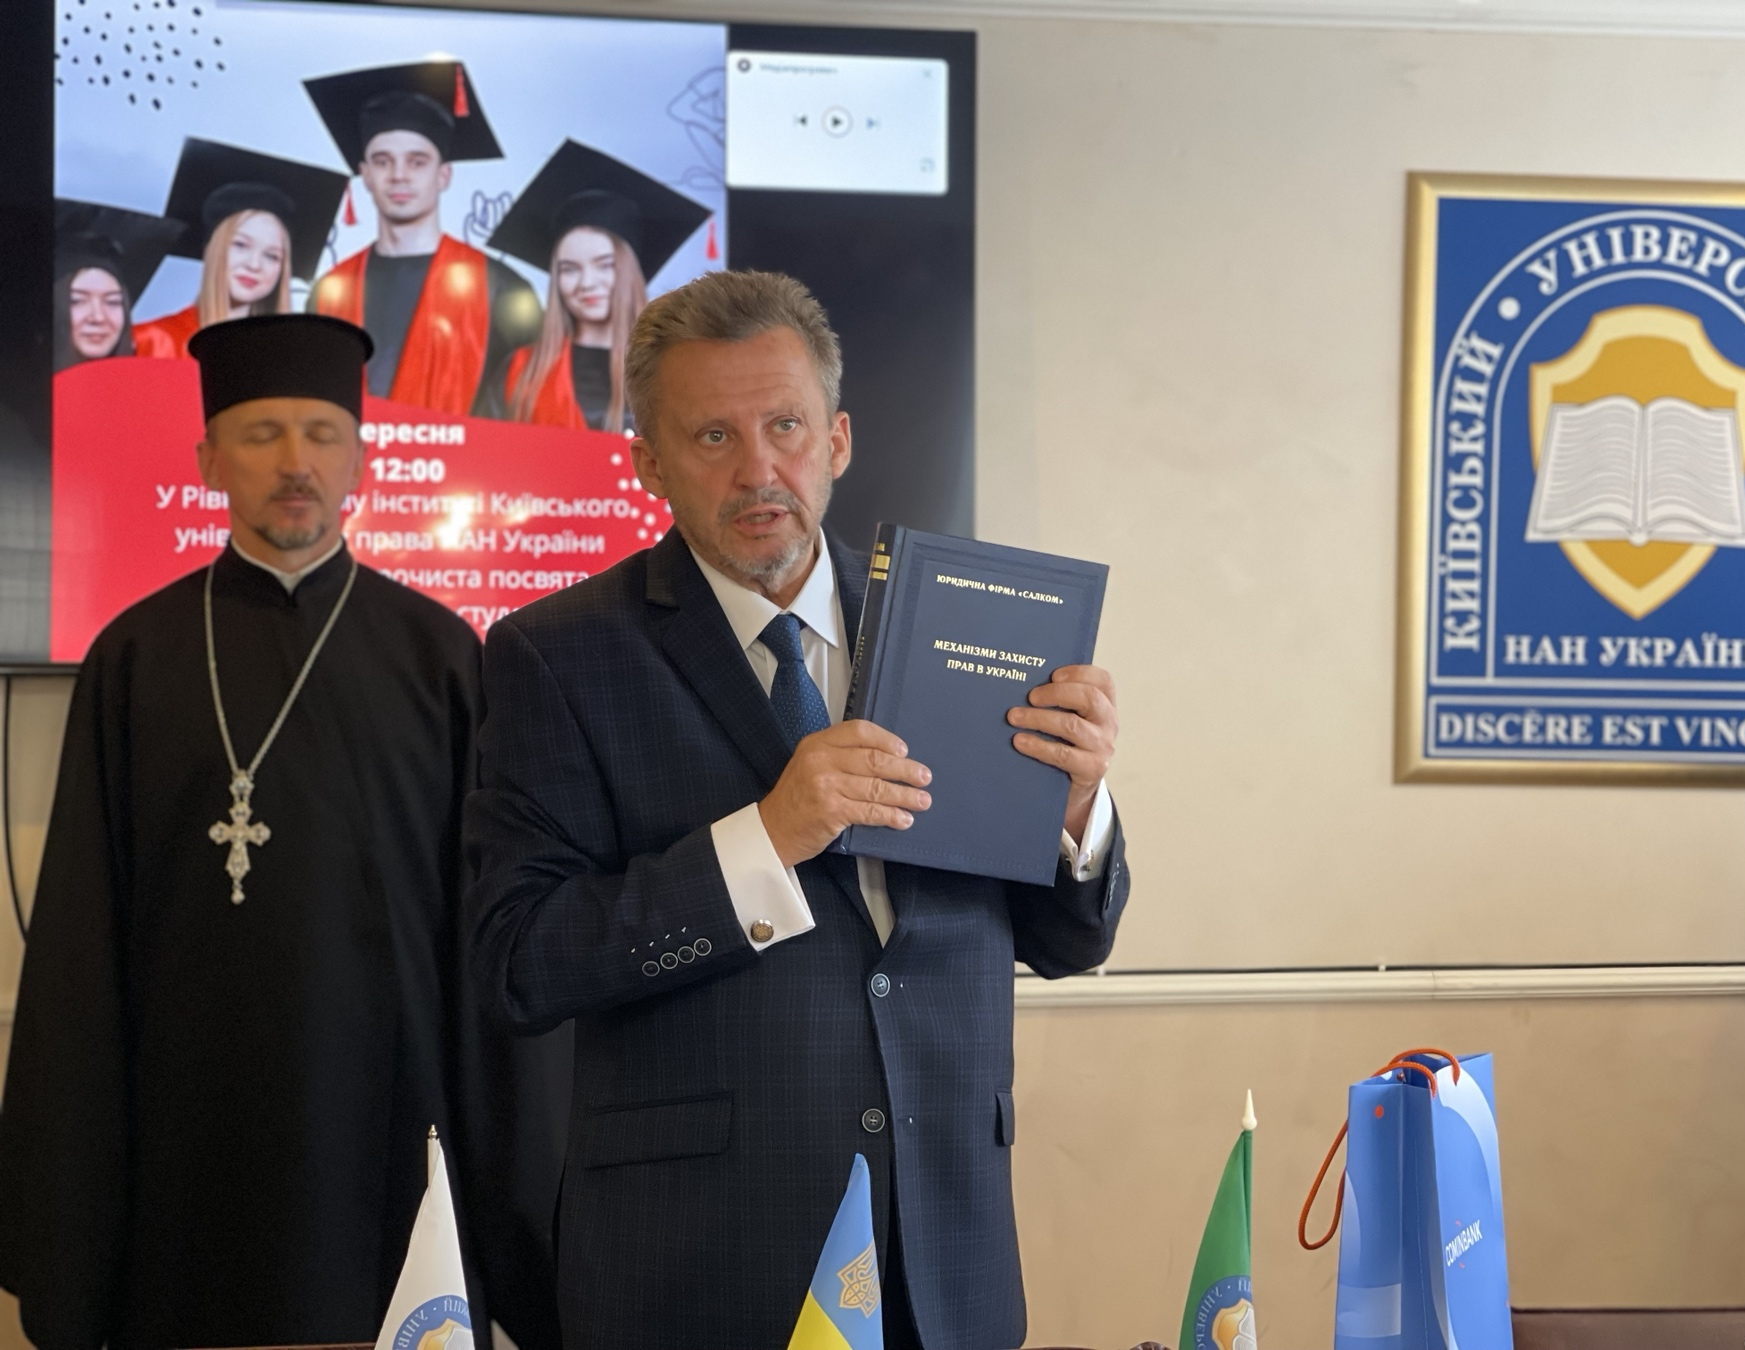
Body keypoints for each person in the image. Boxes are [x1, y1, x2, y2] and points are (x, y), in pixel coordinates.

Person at [465, 269, 1128, 1350]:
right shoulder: (557, 656)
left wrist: (1078, 807)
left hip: (944, 1261)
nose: (759, 469)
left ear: (838, 440)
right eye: (712, 436)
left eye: (784, 426)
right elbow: (519, 962)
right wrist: (764, 841)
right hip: (697, 1272)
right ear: (648, 463)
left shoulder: (965, 631)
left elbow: (1068, 943)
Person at [0, 314, 550, 1349]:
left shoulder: (440, 656)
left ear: (360, 460)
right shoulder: (133, 657)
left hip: (389, 1128)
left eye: (321, 433)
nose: (296, 462)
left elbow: (485, 937)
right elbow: (80, 939)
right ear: (209, 461)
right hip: (183, 1134)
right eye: (261, 434)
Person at [304, 61, 541, 416]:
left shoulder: (503, 289)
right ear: (365, 175)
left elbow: (534, 409)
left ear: (444, 175)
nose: (399, 175)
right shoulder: (329, 292)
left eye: (417, 162)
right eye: (383, 162)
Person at [487, 138, 710, 433]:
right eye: (569, 269)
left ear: (629, 272)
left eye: (604, 265)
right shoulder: (520, 370)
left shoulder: (677, 371)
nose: (587, 283)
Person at [133, 138, 347, 359]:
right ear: (213, 249)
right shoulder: (152, 342)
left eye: (272, 256)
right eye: (241, 245)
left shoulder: (290, 359)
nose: (254, 265)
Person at [51, 200, 182, 371]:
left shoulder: (151, 382)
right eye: (76, 301)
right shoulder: (20, 381)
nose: (98, 317)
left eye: (113, 302)